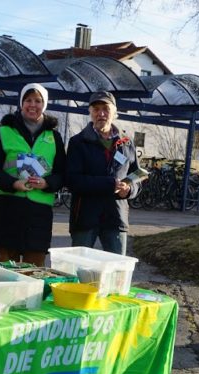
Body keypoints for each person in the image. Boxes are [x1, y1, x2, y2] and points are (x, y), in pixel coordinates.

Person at [0, 83, 66, 267]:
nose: (33, 105)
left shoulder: (54, 137)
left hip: (39, 213)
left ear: (44, 105)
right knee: (7, 272)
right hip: (8, 209)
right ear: (21, 103)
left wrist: (46, 183)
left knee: (34, 272)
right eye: (28, 100)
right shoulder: (5, 131)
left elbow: (62, 174)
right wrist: (13, 184)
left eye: (38, 101)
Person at [66, 90, 141, 256]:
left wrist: (129, 190)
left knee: (117, 272)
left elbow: (137, 177)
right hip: (85, 217)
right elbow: (72, 180)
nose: (101, 113)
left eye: (106, 109)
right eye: (96, 109)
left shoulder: (127, 143)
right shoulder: (78, 142)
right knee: (77, 270)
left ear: (114, 113)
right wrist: (109, 185)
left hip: (116, 217)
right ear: (90, 113)